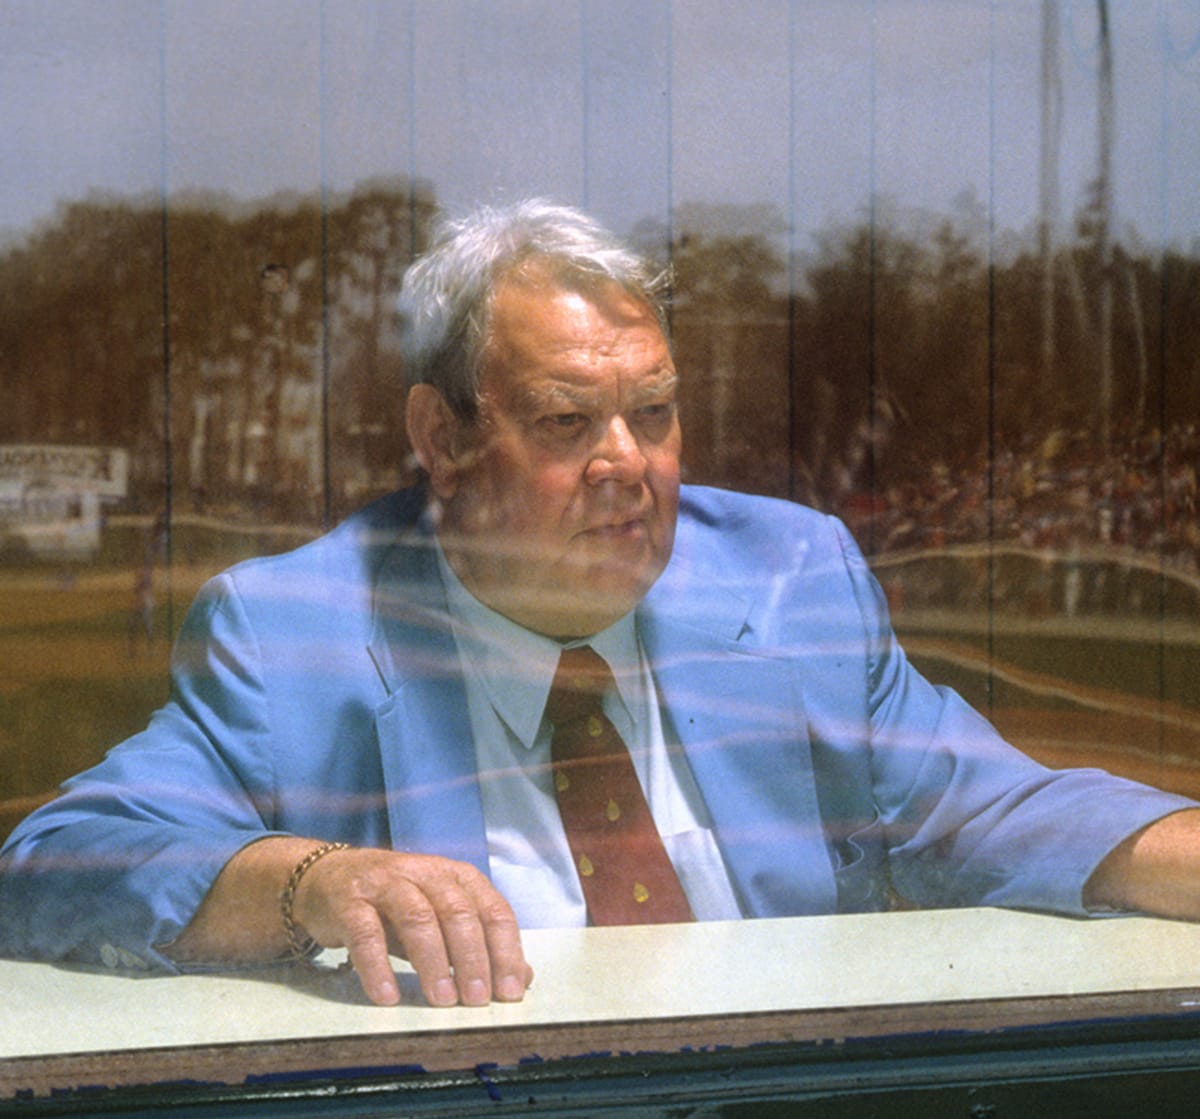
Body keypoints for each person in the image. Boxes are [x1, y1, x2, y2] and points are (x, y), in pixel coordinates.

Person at [1, 200, 1197, 1010]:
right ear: (443, 439)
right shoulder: (292, 632)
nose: (630, 463)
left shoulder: (786, 579)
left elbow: (991, 809)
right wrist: (312, 880)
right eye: (569, 423)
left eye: (657, 413)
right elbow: (53, 864)